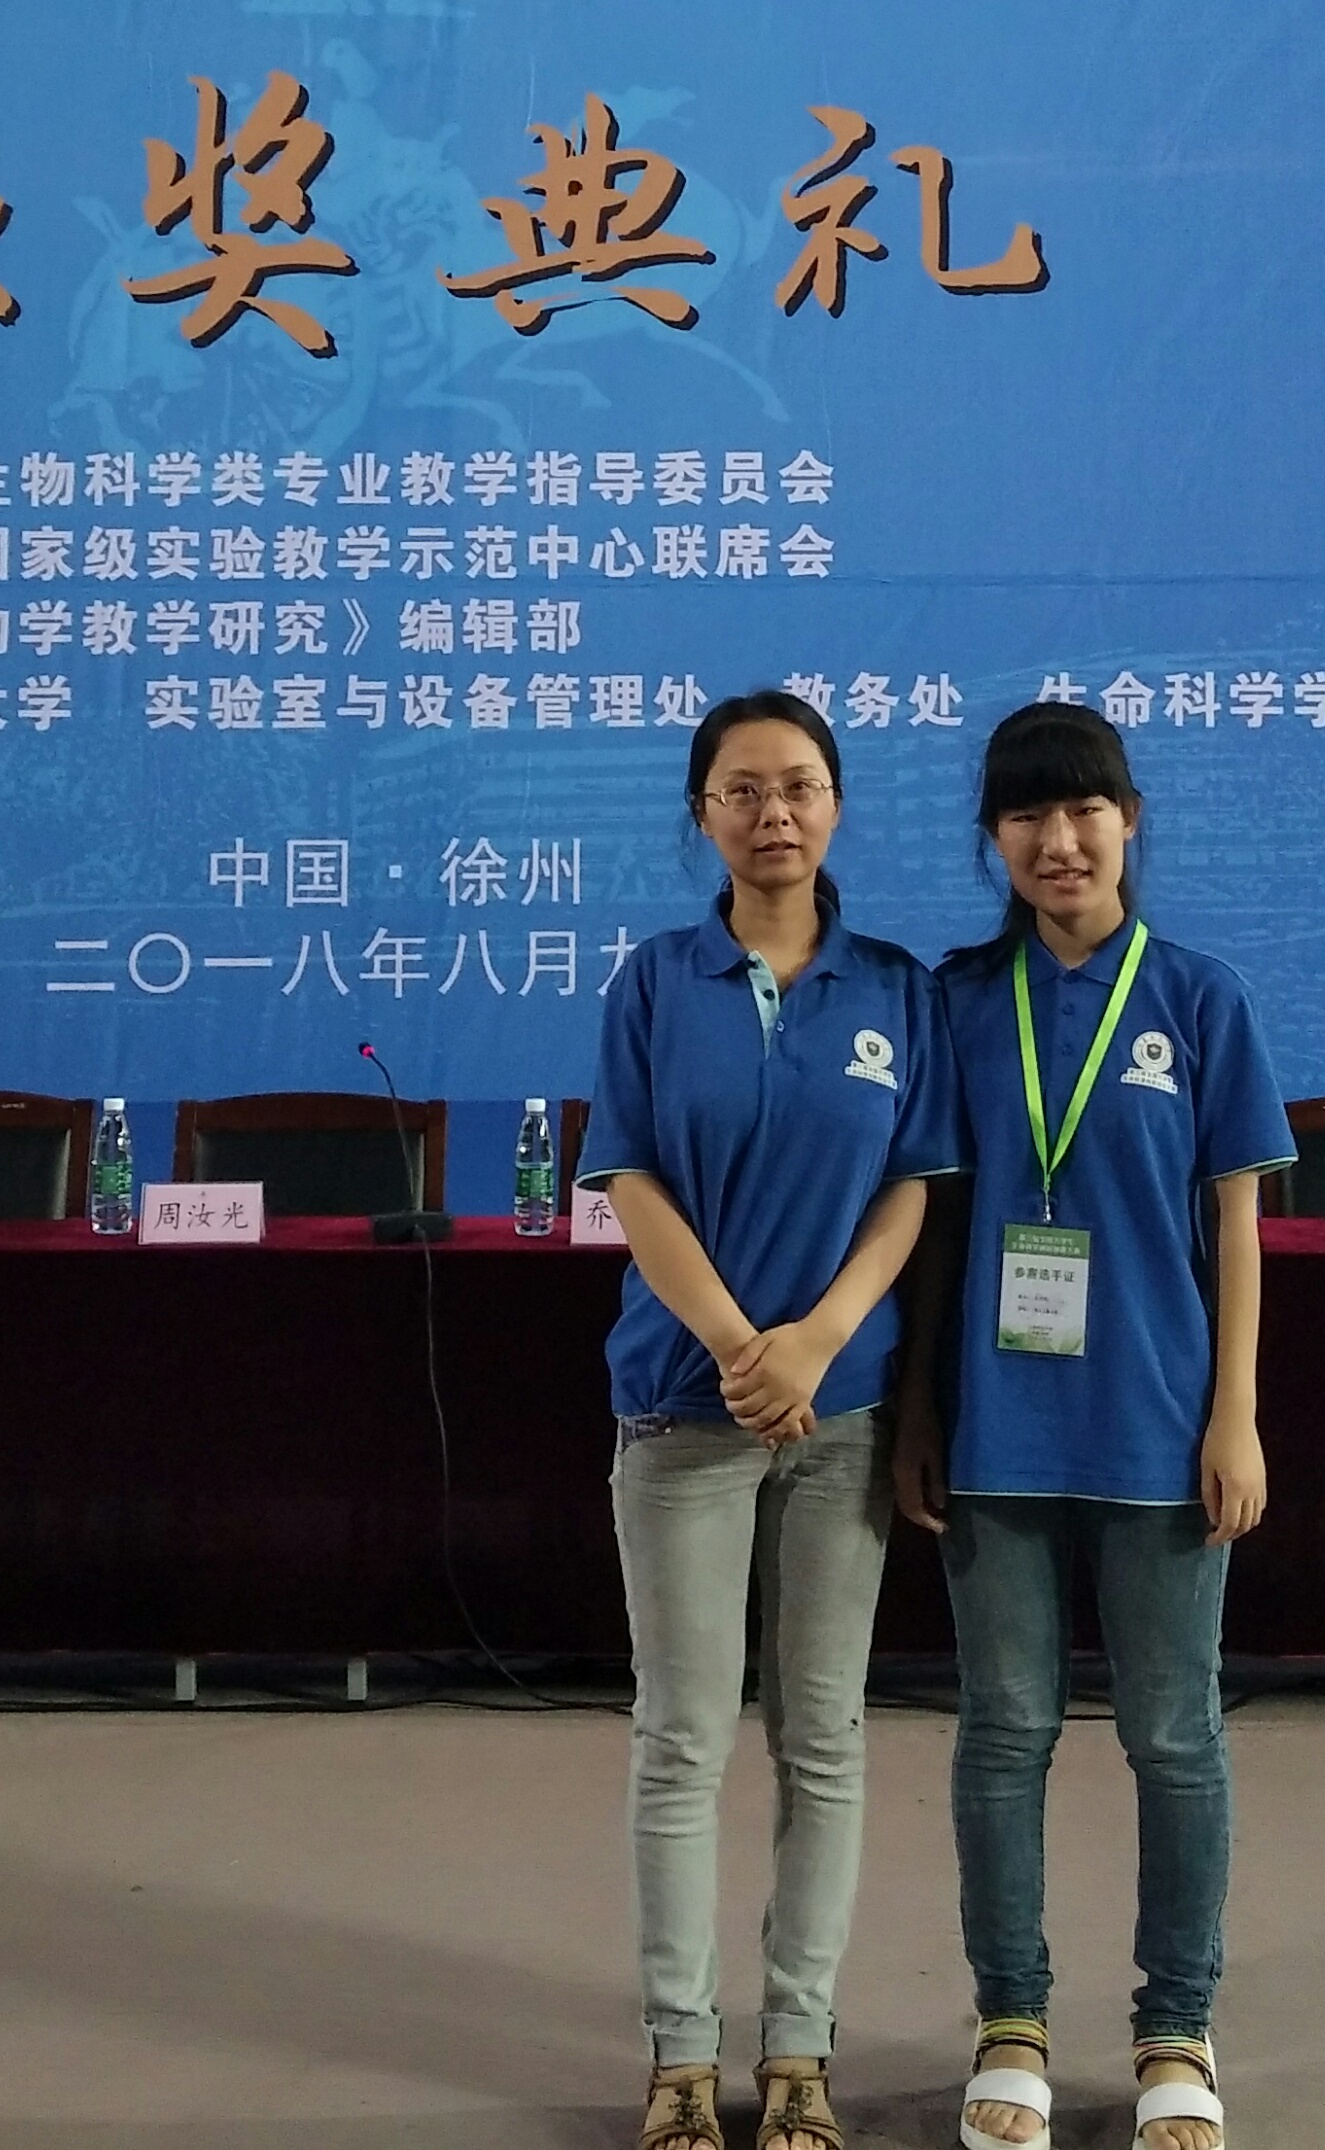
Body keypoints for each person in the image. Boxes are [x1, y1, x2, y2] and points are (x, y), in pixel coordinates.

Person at [893, 700, 1295, 2150]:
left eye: (1084, 810)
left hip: (1160, 1429)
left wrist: (1236, 1415)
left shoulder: (1199, 999)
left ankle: (1176, 2028)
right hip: (996, 1430)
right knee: (1003, 1734)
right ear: (993, 837)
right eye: (1027, 815)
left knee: (1174, 1737)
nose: (1058, 841)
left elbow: (1236, 1231)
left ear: (1130, 821)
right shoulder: (957, 1000)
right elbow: (934, 1226)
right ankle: (1011, 2020)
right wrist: (920, 1406)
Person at [579, 686, 959, 2150]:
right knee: (682, 1739)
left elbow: (910, 1187)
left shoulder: (895, 989)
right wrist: (745, 1346)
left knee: (824, 1738)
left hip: (841, 1414)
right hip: (686, 1409)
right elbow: (630, 1178)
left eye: (798, 784)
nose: (773, 812)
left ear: (836, 804)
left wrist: (817, 1341)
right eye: (741, 790)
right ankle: (680, 2058)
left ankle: (799, 2053)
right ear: (703, 814)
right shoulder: (655, 981)